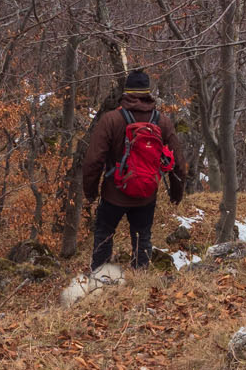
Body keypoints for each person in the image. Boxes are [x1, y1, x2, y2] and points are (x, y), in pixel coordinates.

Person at [80, 70, 186, 271]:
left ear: (126, 92)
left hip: (114, 194)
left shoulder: (111, 120)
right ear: (148, 93)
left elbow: (93, 161)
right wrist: (176, 194)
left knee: (104, 235)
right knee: (142, 237)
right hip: (146, 194)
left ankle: (100, 281)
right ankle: (141, 281)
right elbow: (178, 162)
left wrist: (91, 192)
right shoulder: (162, 121)